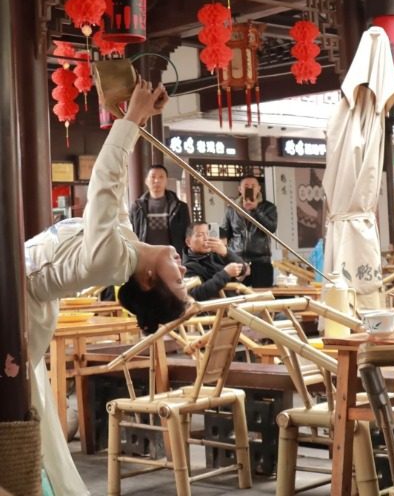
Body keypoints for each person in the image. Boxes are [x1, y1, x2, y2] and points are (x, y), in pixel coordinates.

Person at [26, 79, 193, 496]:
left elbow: (101, 182)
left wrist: (134, 117)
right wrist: (133, 118)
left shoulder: (110, 259)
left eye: (179, 280)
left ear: (150, 279)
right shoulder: (125, 248)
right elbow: (115, 186)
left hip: (15, 309)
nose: (182, 264)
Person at [221, 175, 277, 288]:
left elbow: (271, 229)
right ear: (240, 189)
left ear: (259, 189)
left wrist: (256, 210)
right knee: (236, 296)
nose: (249, 188)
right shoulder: (232, 208)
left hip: (261, 262)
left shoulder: (268, 207)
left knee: (262, 298)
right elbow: (225, 233)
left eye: (253, 186)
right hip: (237, 261)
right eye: (246, 186)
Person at [129, 164, 191, 257]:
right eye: (153, 177)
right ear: (146, 181)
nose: (157, 180)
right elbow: (131, 232)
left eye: (161, 177)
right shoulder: (137, 207)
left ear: (166, 180)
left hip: (172, 257)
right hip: (145, 256)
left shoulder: (180, 207)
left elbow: (187, 234)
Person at [183, 222, 249, 301]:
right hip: (219, 308)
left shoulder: (217, 253)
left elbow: (243, 269)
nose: (206, 238)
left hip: (238, 300)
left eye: (208, 234)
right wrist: (225, 274)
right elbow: (195, 294)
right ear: (188, 242)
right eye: (200, 235)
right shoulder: (188, 267)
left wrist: (226, 253)